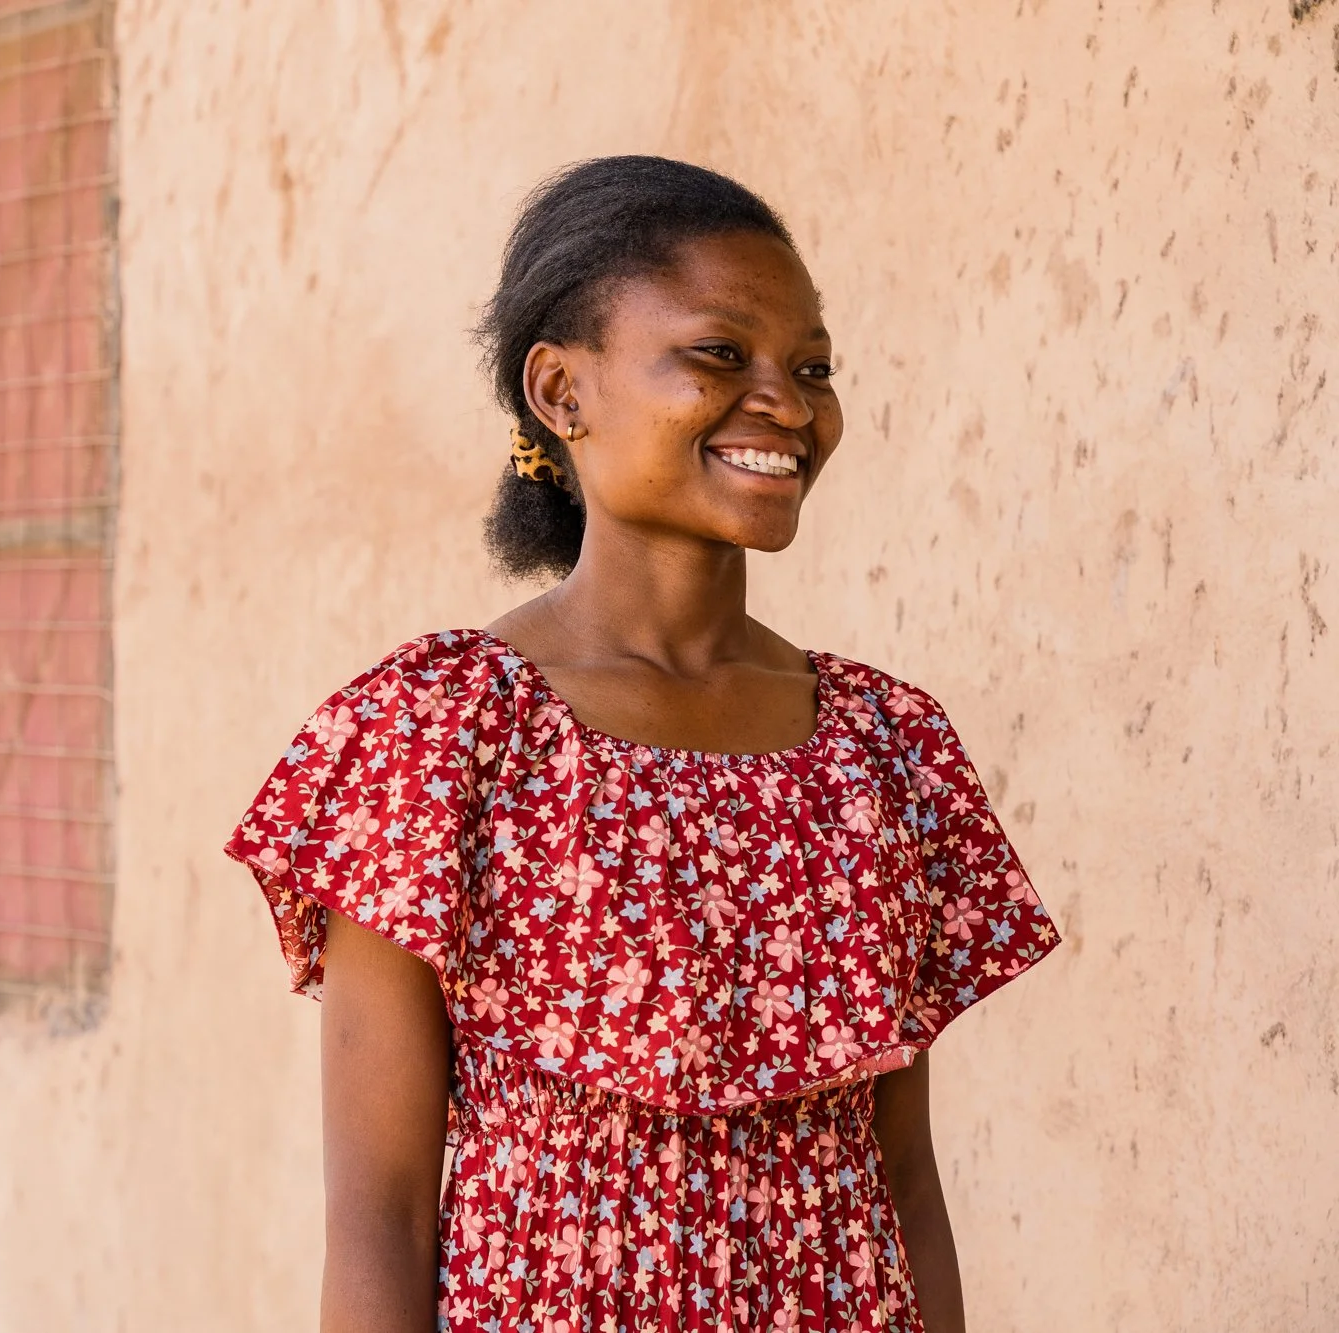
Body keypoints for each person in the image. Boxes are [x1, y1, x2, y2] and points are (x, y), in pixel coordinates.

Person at [226, 156, 1060, 1333]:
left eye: (810, 368)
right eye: (720, 354)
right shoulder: (438, 733)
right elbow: (381, 1211)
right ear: (561, 392)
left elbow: (903, 1181)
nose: (784, 399)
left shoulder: (885, 748)